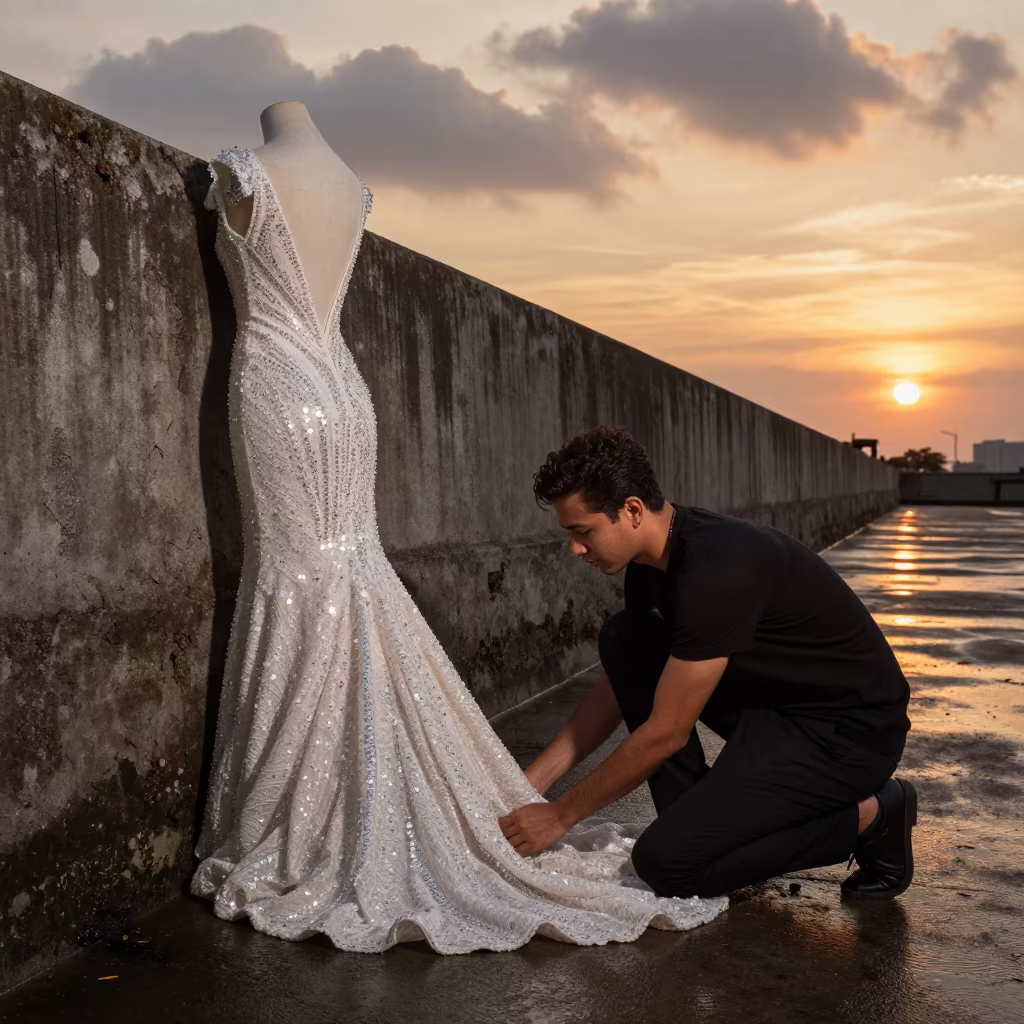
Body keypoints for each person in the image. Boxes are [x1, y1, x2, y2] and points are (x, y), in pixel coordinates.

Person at [190, 106, 727, 955]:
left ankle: (300, 806)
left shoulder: (246, 171)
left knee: (299, 569)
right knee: (338, 568)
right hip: (343, 389)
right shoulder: (344, 183)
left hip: (279, 384)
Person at [498, 426, 915, 901]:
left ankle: (875, 815)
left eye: (583, 531)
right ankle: (702, 817)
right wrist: (529, 785)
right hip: (771, 711)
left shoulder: (716, 571)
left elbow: (668, 732)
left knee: (669, 866)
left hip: (846, 736)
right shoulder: (649, 563)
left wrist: (561, 815)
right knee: (627, 637)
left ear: (632, 510)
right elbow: (621, 686)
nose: (575, 548)